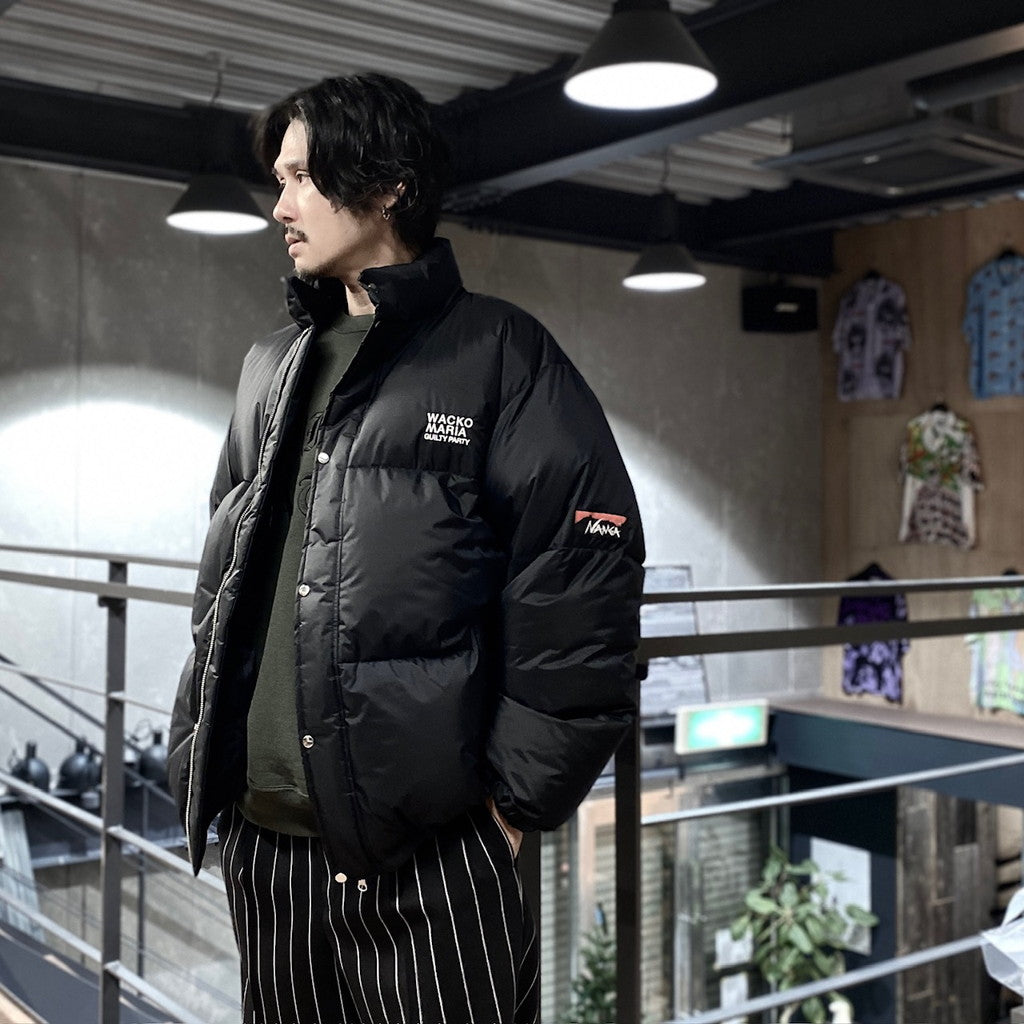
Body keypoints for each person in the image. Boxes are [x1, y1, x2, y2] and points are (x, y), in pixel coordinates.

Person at [168, 71, 644, 1024]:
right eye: (279, 180)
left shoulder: (501, 356)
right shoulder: (268, 366)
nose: (281, 207)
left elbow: (583, 579)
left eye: (304, 178)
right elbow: (224, 587)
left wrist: (509, 810)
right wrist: (201, 769)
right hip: (267, 854)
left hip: (429, 867)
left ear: (388, 185)